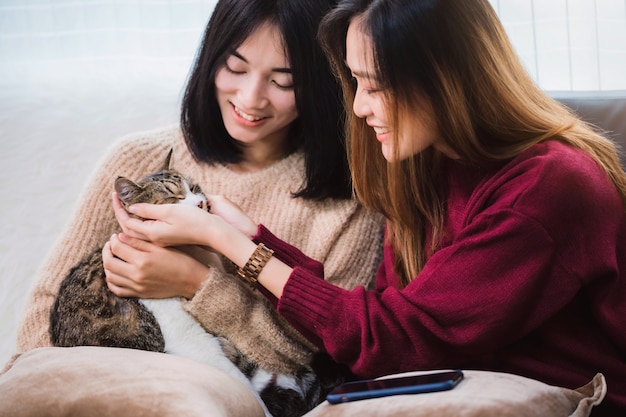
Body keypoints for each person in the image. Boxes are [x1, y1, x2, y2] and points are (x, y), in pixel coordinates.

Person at [112, 0, 626, 415]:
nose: (358, 106)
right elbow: (378, 323)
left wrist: (232, 245)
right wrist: (254, 238)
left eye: (376, 86)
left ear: (448, 80)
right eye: (355, 82)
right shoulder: (425, 164)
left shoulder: (549, 187)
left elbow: (400, 344)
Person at [14, 0, 385, 381]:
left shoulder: (353, 199)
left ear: (321, 82)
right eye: (235, 67)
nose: (251, 98)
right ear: (210, 58)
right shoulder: (140, 161)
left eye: (282, 81)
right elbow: (41, 317)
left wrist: (198, 285)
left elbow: (320, 360)